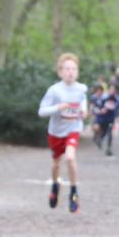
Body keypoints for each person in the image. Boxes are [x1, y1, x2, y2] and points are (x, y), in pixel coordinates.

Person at [37, 52, 89, 213]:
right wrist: (57, 108)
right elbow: (41, 111)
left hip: (73, 129)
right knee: (56, 164)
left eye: (73, 69)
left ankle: (74, 194)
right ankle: (55, 186)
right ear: (60, 72)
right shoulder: (54, 91)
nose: (70, 72)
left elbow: (82, 102)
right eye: (66, 69)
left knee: (70, 158)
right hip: (56, 132)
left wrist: (84, 111)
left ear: (77, 71)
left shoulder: (81, 88)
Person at [96, 84, 119, 156]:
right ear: (109, 90)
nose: (112, 91)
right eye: (111, 89)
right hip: (103, 119)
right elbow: (99, 108)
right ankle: (99, 140)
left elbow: (117, 109)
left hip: (111, 119)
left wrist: (117, 117)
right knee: (104, 133)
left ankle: (109, 149)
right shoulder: (104, 98)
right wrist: (101, 110)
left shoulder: (116, 99)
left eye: (113, 90)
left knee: (110, 134)